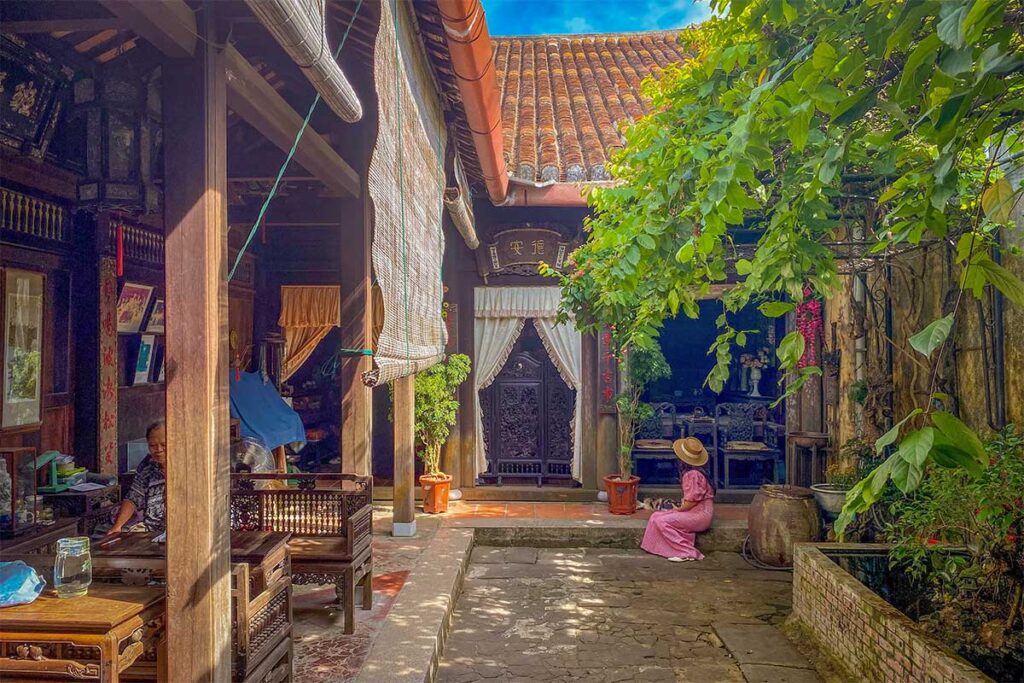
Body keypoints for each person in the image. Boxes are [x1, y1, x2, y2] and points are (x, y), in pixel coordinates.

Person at [641, 436, 715, 562]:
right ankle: (669, 549)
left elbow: (692, 501)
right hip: (698, 512)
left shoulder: (692, 475)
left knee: (662, 521)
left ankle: (687, 551)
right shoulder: (696, 472)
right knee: (655, 516)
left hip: (699, 515)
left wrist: (678, 509)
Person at [107, 420, 166, 535]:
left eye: (164, 444)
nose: (158, 450)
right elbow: (133, 498)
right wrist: (117, 526)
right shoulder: (148, 467)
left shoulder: (185, 469)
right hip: (152, 530)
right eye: (153, 445)